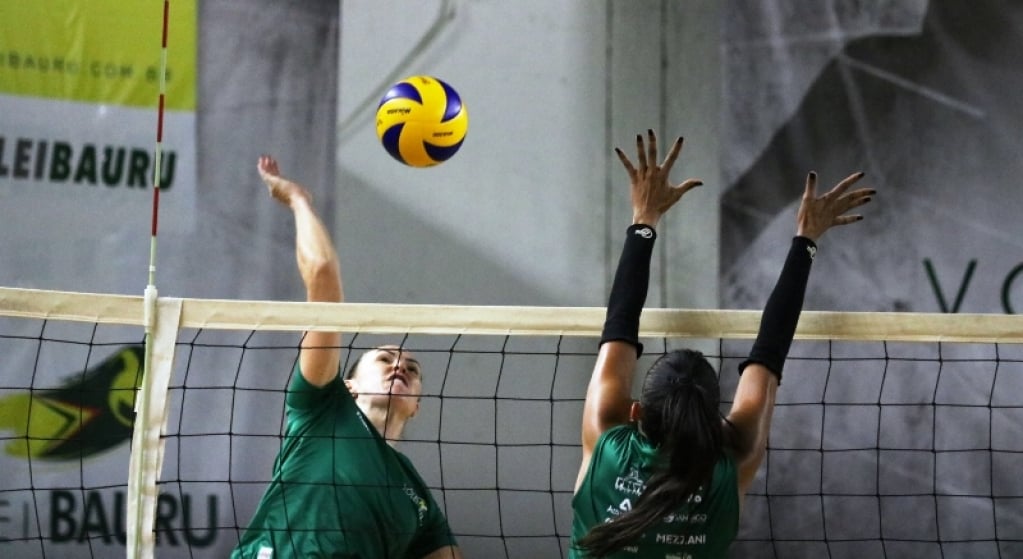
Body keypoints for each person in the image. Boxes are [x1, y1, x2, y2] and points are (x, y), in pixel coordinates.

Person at [571, 130, 874, 558]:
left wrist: (645, 218)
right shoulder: (735, 462)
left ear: (635, 411)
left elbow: (619, 324)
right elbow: (768, 354)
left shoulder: (605, 433)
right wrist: (807, 238)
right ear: (713, 421)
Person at [231, 156, 462, 559]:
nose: (399, 368)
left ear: (418, 405)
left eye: (412, 369)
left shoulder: (419, 500)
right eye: (385, 359)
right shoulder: (323, 407)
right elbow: (322, 274)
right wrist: (298, 200)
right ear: (348, 385)